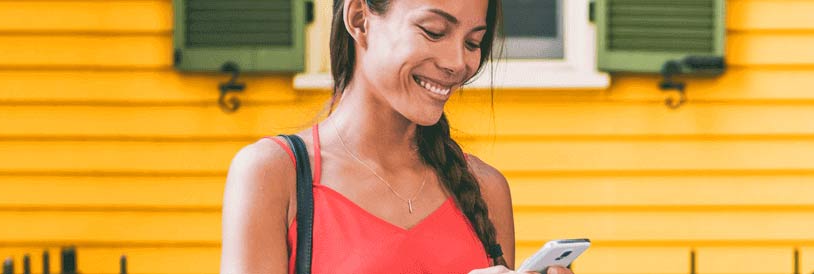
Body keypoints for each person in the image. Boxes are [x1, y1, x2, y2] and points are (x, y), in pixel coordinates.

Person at [221, 0, 572, 273]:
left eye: (473, 42)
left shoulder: (486, 189)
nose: (457, 62)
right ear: (360, 19)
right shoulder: (274, 175)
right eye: (434, 31)